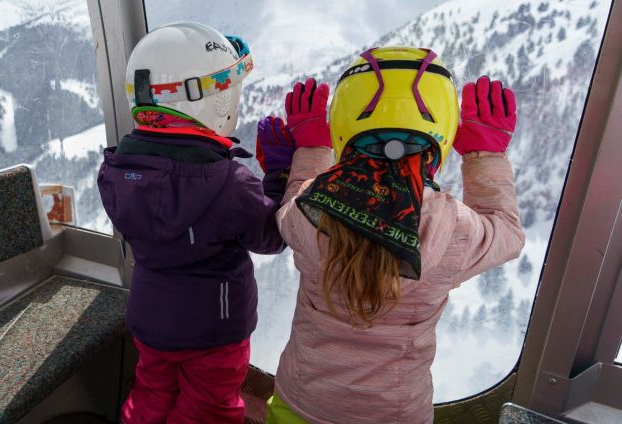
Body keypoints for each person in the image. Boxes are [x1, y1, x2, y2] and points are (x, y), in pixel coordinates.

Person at [262, 46, 525, 423]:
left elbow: (292, 203)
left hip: (302, 402)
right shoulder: (454, 229)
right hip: (394, 413)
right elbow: (506, 230)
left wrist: (311, 145)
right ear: (442, 135)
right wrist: (485, 156)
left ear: (342, 128)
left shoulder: (309, 209)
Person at [97, 22, 290, 423]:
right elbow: (274, 236)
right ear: (212, 101)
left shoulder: (114, 171)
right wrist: (279, 176)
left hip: (150, 320)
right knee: (208, 407)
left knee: (151, 392)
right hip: (213, 331)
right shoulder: (230, 185)